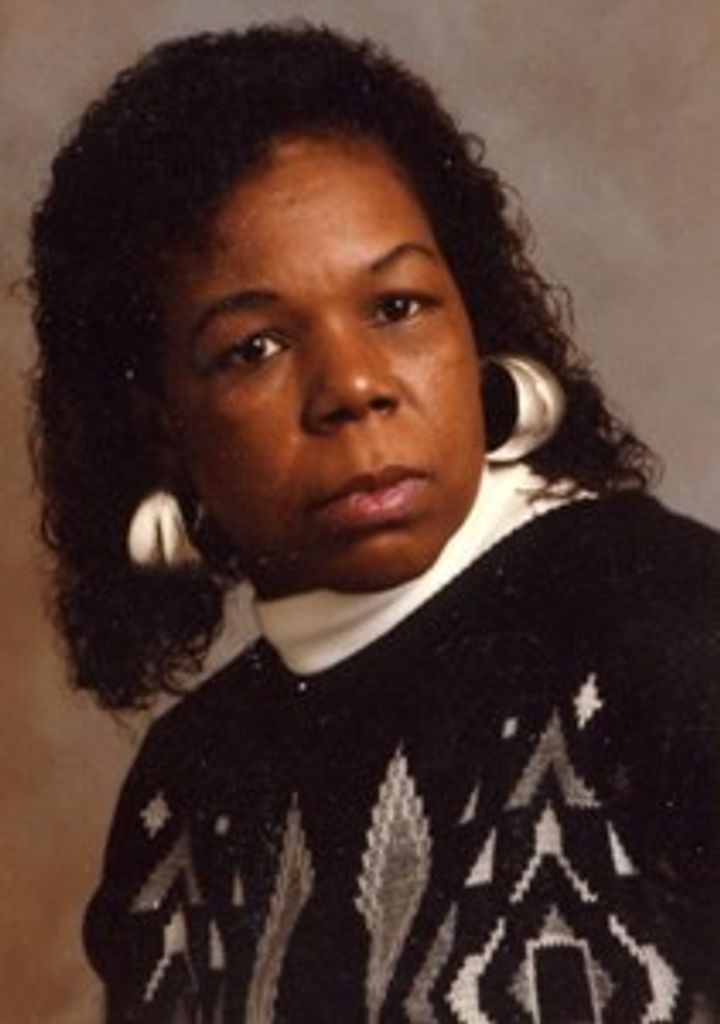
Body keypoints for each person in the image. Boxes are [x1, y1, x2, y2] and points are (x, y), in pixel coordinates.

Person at [30, 23, 719, 1024]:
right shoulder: (186, 789)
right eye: (254, 347)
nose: (353, 387)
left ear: (475, 327)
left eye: (397, 306)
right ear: (160, 425)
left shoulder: (674, 629)